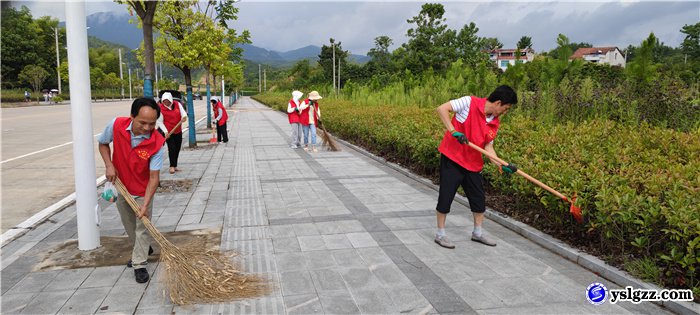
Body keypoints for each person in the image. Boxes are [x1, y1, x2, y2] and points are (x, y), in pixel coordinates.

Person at [433, 85, 518, 249]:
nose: (505, 112)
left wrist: (501, 164)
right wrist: (453, 131)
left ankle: (477, 233)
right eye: (506, 108)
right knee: (446, 196)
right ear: (498, 103)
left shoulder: (494, 122)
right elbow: (442, 109)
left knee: (478, 199)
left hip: (473, 163)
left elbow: (488, 148)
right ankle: (440, 234)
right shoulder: (469, 102)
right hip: (453, 159)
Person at [97, 97, 166, 283]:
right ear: (132, 117)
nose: (147, 128)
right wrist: (109, 165)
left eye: (152, 124)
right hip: (121, 186)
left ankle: (139, 264)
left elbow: (154, 177)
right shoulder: (116, 125)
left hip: (143, 190)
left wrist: (145, 203)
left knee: (142, 227)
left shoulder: (157, 143)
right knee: (129, 225)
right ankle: (143, 249)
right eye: (142, 123)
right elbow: (102, 143)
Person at [156, 92, 187, 174]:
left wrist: (184, 117)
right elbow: (159, 122)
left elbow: (183, 113)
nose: (166, 103)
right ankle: (171, 166)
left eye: (168, 101)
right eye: (164, 101)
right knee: (172, 148)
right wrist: (165, 131)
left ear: (171, 100)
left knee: (177, 148)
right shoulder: (160, 108)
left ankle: (175, 165)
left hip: (178, 130)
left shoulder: (177, 104)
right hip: (168, 131)